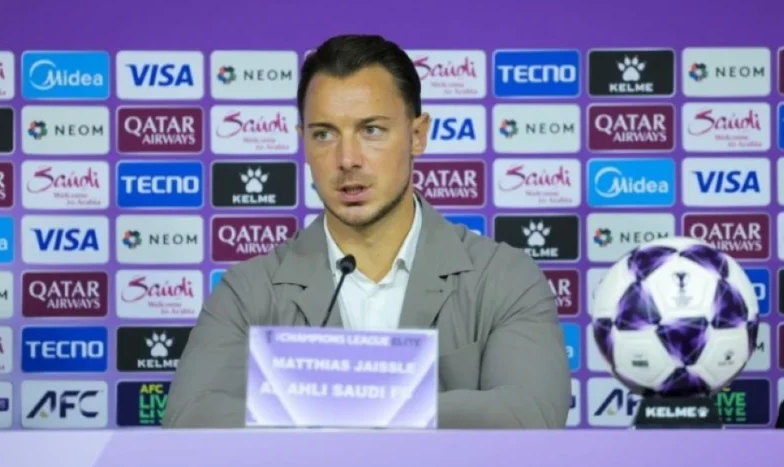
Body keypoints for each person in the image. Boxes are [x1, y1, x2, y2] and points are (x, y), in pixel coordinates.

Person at [163, 34, 571, 429]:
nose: (347, 159)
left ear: (417, 135)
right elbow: (190, 419)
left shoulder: (503, 278)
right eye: (324, 134)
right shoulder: (249, 290)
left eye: (371, 130)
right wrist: (388, 406)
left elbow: (529, 416)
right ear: (303, 142)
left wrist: (337, 401)